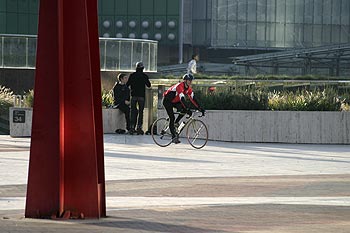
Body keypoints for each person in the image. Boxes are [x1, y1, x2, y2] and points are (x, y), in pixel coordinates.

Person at [163, 73, 205, 144]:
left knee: (184, 110)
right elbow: (182, 98)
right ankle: (173, 137)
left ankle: (176, 123)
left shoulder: (188, 88)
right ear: (185, 80)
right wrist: (187, 108)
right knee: (172, 117)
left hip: (174, 101)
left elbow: (193, 99)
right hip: (167, 101)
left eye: (191, 80)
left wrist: (200, 108)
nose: (190, 82)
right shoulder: (180, 86)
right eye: (189, 80)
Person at [126, 61, 151, 135]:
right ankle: (139, 128)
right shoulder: (144, 76)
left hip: (133, 96)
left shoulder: (132, 75)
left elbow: (127, 85)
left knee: (133, 112)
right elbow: (149, 85)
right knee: (141, 112)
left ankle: (132, 128)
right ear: (143, 68)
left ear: (136, 68)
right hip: (141, 96)